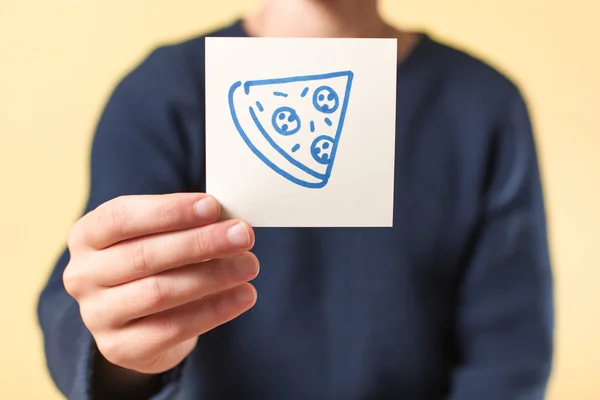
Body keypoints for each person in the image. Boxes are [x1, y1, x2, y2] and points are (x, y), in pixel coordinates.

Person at [37, 0, 554, 399]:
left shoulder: (484, 107)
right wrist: (124, 354)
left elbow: (510, 354)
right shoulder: (160, 94)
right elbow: (87, 315)